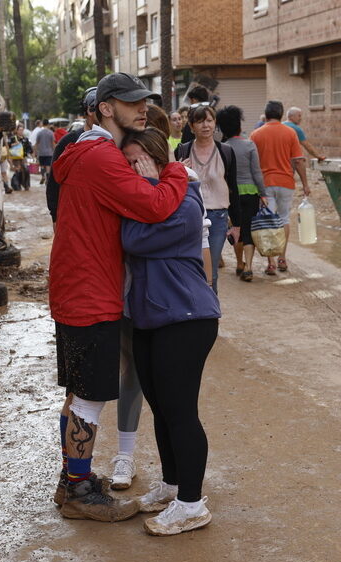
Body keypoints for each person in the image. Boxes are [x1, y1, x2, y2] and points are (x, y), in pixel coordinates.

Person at [50, 72, 188, 521]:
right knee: (89, 398)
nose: (141, 108)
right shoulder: (102, 157)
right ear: (106, 108)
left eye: (143, 101)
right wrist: (174, 171)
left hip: (76, 287)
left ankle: (75, 479)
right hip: (91, 291)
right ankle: (78, 493)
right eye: (131, 103)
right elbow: (154, 206)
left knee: (78, 394)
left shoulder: (82, 150)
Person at [119, 126, 220, 536]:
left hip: (187, 318)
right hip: (149, 317)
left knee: (180, 413)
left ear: (158, 161)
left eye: (138, 161)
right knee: (162, 409)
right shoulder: (145, 200)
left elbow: (133, 238)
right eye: (126, 163)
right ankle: (172, 487)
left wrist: (147, 187)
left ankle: (192, 504)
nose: (131, 169)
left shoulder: (186, 203)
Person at [174, 105, 240, 294]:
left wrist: (237, 225)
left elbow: (233, 188)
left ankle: (211, 312)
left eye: (209, 121)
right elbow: (172, 185)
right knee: (190, 265)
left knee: (211, 270)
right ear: (192, 126)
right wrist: (178, 170)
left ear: (215, 123)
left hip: (218, 217)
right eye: (200, 121)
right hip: (190, 216)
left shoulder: (226, 151)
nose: (206, 125)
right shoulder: (183, 151)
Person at [250, 100, 311, 274]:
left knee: (269, 220)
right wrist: (305, 184)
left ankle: (271, 262)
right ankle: (282, 257)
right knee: (283, 219)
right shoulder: (290, 133)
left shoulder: (256, 134)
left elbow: (251, 162)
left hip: (264, 184)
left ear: (266, 113)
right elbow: (298, 161)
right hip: (286, 183)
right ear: (282, 114)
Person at [216, 105, 268, 282]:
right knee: (248, 229)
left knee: (235, 227)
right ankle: (250, 267)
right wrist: (263, 193)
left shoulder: (222, 148)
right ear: (239, 125)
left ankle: (239, 263)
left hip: (231, 195)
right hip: (250, 193)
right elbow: (257, 172)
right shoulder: (249, 145)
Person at [46, 87, 97, 223]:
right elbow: (54, 183)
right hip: (74, 217)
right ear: (88, 110)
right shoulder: (68, 142)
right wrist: (55, 217)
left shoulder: (115, 139)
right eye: (95, 108)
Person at [8, 123, 32, 191]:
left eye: (22, 130)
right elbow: (8, 146)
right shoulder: (13, 138)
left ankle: (26, 185)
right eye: (20, 130)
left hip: (23, 158)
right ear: (17, 130)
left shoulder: (25, 139)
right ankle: (16, 185)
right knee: (18, 171)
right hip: (15, 158)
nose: (21, 131)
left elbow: (29, 148)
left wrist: (27, 154)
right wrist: (15, 144)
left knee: (26, 170)